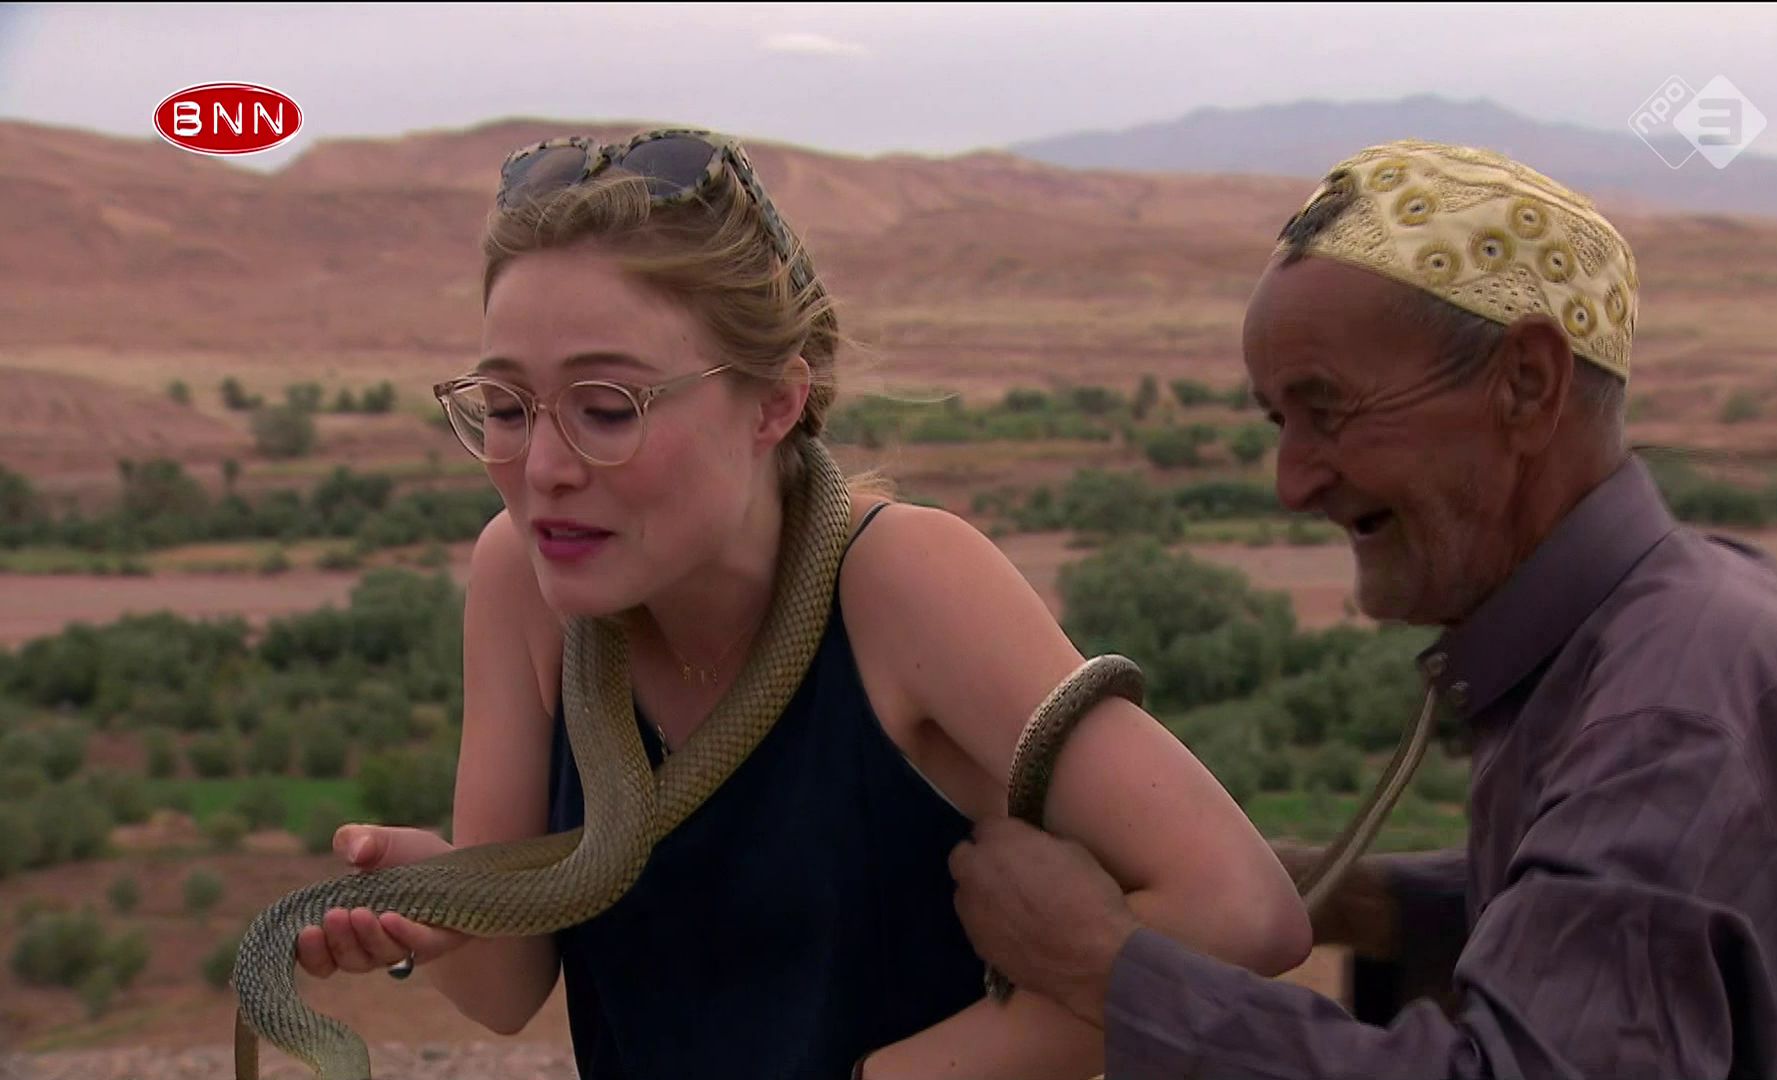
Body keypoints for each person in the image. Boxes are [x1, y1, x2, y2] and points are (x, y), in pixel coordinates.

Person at [289, 128, 1310, 1080]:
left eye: (606, 409)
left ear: (775, 402)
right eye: (506, 408)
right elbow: (507, 994)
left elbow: (1242, 912)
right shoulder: (524, 576)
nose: (543, 467)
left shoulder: (904, 582)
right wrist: (440, 899)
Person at [949, 139, 1777, 1078]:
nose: (1292, 482)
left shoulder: (1662, 718)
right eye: (1280, 421)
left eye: (1328, 409)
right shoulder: (1701, 618)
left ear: (1526, 385)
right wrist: (1348, 895)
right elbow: (1611, 916)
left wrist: (1102, 967)